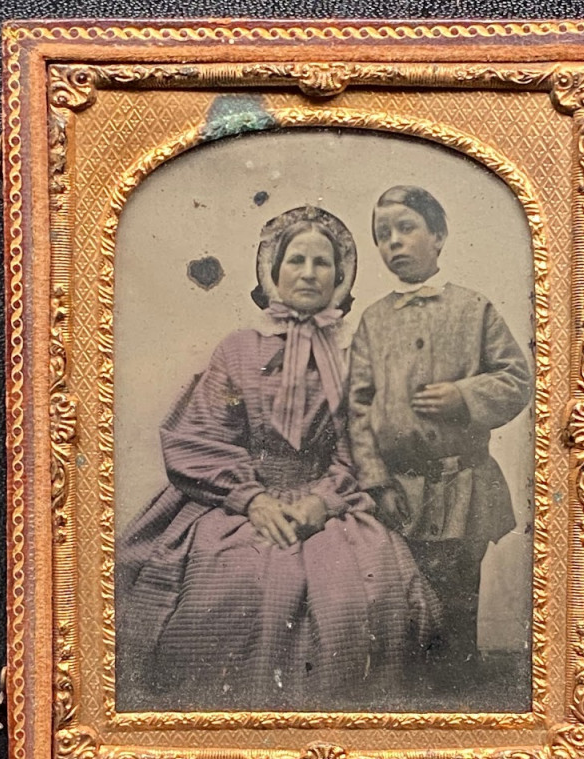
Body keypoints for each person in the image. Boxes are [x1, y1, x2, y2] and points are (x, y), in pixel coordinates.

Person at [116, 205, 442, 712]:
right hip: (236, 502)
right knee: (225, 587)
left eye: (322, 263)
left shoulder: (359, 353)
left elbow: (362, 445)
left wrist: (324, 502)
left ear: (342, 275)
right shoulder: (239, 350)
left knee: (356, 596)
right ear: (273, 270)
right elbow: (202, 436)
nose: (309, 273)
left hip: (331, 503)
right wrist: (252, 499)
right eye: (296, 260)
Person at [348, 186, 532, 667]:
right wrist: (373, 480)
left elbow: (516, 380)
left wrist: (464, 397)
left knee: (456, 606)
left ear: (439, 235)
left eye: (406, 228)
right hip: (397, 496)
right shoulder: (373, 320)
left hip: (463, 491)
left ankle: (460, 705)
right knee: (404, 609)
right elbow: (358, 408)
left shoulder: (474, 309)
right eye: (383, 235)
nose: (394, 243)